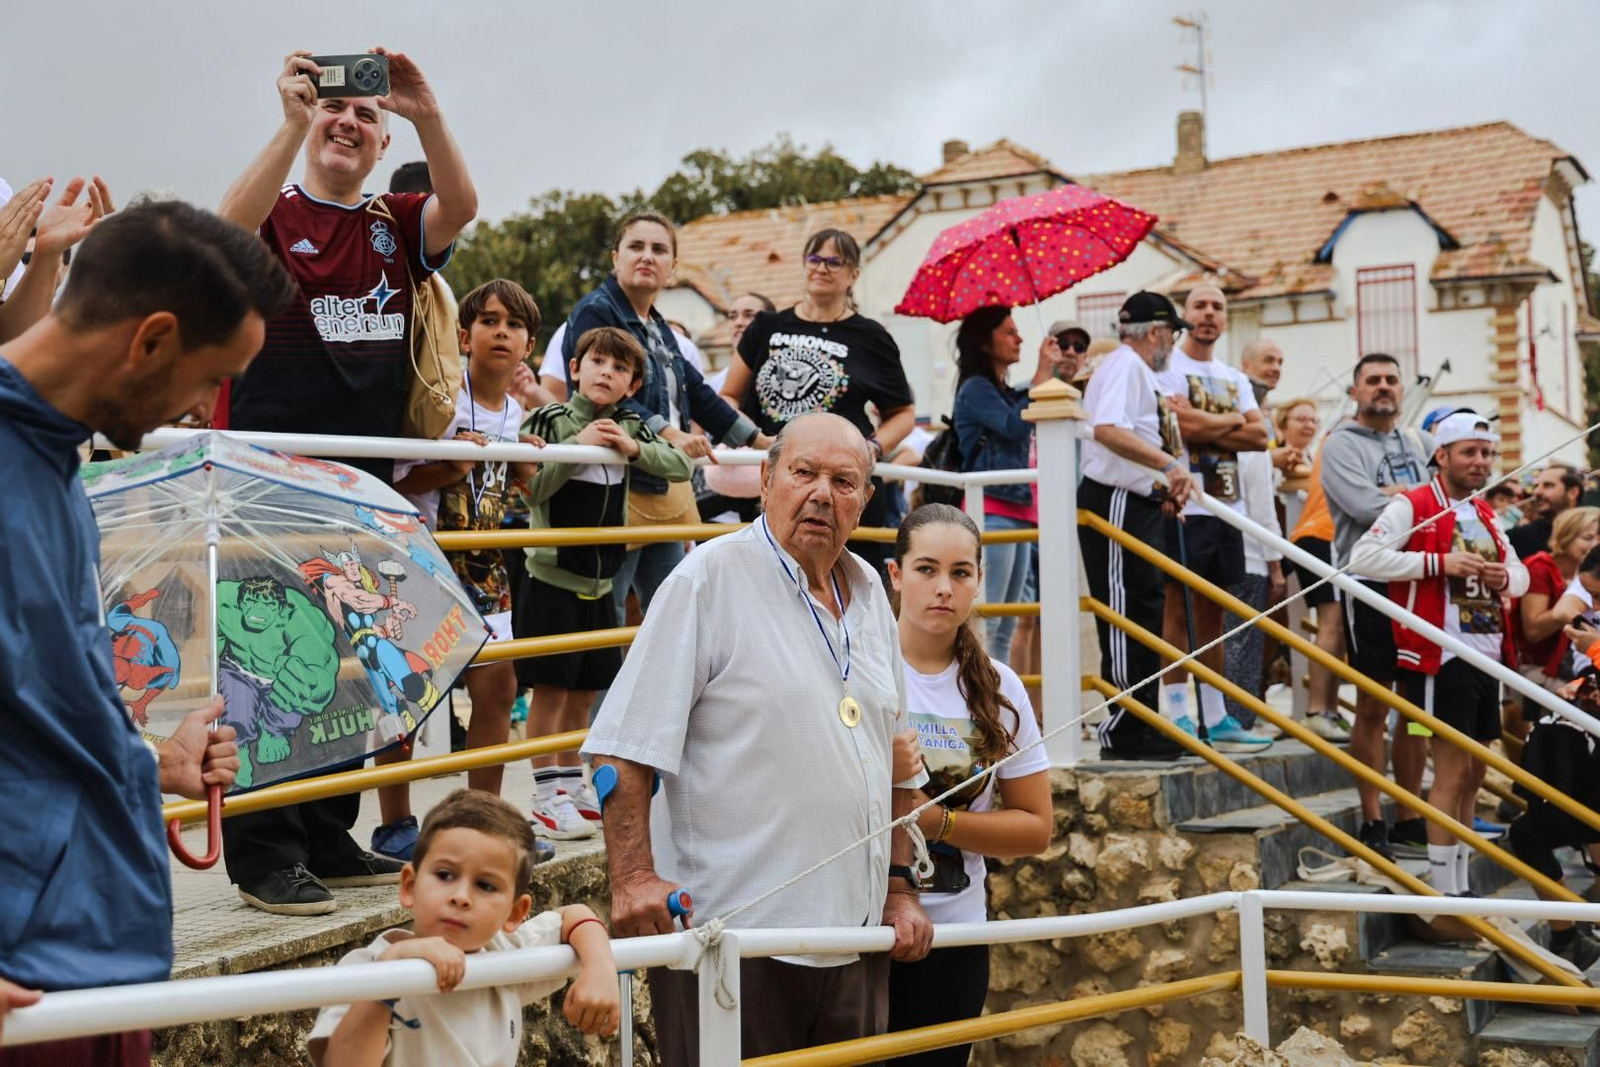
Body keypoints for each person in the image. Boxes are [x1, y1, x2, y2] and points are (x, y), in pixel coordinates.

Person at [0, 201, 282, 1059]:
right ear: (152, 339)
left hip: (87, 950)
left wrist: (150, 761)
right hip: (28, 977)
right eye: (210, 378)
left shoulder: (54, 465)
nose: (201, 409)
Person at [215, 47, 478, 914]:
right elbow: (220, 238)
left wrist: (427, 113)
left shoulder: (393, 222)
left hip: (361, 480)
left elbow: (461, 207)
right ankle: (264, 853)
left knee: (351, 663)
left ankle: (328, 830)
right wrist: (290, 120)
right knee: (266, 664)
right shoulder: (274, 209)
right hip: (267, 476)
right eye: (335, 109)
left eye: (367, 115)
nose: (349, 122)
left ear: (382, 141)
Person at [583, 412, 933, 1064]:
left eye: (843, 481)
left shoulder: (869, 597)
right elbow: (623, 746)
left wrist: (898, 888)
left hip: (857, 941)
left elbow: (894, 763)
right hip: (734, 943)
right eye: (804, 473)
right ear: (767, 480)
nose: (821, 494)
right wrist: (631, 878)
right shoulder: (705, 580)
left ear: (865, 499)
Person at [379, 280, 545, 860]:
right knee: (407, 689)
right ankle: (394, 824)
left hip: (485, 566)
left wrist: (519, 463)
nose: (501, 332)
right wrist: (450, 467)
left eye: (514, 325)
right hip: (424, 560)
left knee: (498, 688)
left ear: (528, 345)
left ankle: (485, 821)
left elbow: (504, 489)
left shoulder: (515, 412)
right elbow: (398, 479)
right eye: (490, 321)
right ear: (465, 335)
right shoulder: (440, 398)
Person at [886, 504, 1052, 1066]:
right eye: (926, 569)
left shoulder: (1000, 686)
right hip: (858, 931)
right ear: (895, 575)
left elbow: (1035, 828)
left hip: (954, 935)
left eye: (960, 572)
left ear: (979, 579)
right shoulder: (856, 666)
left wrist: (940, 823)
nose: (943, 588)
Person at [517, 326, 693, 840]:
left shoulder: (631, 423)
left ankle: (572, 781)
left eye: (619, 369)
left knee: (585, 691)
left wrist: (632, 449)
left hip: (601, 582)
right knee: (551, 691)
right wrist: (579, 446)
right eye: (597, 362)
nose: (606, 373)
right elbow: (533, 490)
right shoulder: (549, 419)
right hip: (551, 577)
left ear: (632, 385)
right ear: (575, 368)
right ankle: (546, 793)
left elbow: (681, 463)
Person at [307, 790, 619, 1066]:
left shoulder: (506, 953)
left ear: (514, 912)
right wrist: (388, 978)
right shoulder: (368, 967)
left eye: (485, 885)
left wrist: (601, 968)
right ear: (410, 886)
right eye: (445, 875)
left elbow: (574, 916)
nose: (461, 896)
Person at [1350, 411, 1527, 896]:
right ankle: (1446, 889)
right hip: (1438, 654)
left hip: (1486, 653)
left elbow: (1520, 575)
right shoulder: (1413, 504)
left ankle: (1461, 880)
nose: (1480, 461)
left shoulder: (1486, 513)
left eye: (1487, 453)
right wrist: (1438, 562)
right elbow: (1363, 558)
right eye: (1470, 452)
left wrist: (1504, 578)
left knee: (1475, 770)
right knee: (1451, 767)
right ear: (1442, 456)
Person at [560, 213, 767, 628]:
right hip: (615, 482)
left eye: (659, 249)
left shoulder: (657, 324)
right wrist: (670, 434)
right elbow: (602, 398)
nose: (647, 257)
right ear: (615, 257)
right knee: (609, 615)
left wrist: (760, 441)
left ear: (672, 267)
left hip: (661, 482)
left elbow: (699, 393)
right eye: (636, 247)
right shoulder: (595, 311)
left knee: (674, 613)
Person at [722, 228, 918, 577]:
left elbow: (903, 414)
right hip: (779, 478)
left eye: (834, 262)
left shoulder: (871, 336)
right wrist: (754, 438)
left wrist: (872, 448)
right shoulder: (766, 326)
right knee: (766, 579)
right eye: (814, 258)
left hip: (842, 485)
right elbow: (728, 396)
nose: (821, 268)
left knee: (846, 581)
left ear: (853, 274)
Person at [1320, 352, 1435, 859]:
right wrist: (1415, 499)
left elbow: (1442, 503)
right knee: (1373, 703)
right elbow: (1366, 508)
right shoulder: (1340, 444)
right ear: (1355, 391)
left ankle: (1409, 814)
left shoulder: (1419, 441)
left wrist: (1398, 495)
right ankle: (1372, 817)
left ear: (1402, 389)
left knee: (1416, 709)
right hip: (1370, 585)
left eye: (1391, 379)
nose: (1383, 387)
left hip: (1421, 585)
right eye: (1373, 380)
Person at [1154, 283, 1274, 751]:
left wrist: (1207, 424)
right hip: (1185, 502)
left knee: (1213, 612)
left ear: (1226, 318)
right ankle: (1179, 713)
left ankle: (1216, 715)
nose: (1208, 313)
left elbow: (1261, 437)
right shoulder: (1168, 368)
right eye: (1200, 306)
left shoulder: (1233, 377)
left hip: (1228, 506)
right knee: (1176, 610)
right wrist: (1234, 423)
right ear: (1185, 314)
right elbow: (1178, 425)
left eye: (1217, 307)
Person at [1077, 292, 1194, 760]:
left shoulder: (1130, 367)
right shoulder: (1126, 364)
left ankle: (1141, 720)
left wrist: (1161, 482)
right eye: (1174, 333)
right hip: (1117, 498)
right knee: (1127, 612)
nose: (1174, 343)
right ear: (1156, 332)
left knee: (1143, 608)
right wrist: (1168, 466)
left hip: (1134, 498)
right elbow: (1107, 429)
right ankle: (1127, 727)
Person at [951, 306, 1066, 660]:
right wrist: (1042, 372)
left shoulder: (1002, 391)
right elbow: (1014, 424)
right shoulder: (975, 389)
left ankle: (994, 693)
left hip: (1016, 512)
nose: (1019, 339)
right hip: (991, 512)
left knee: (1004, 626)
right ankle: (981, 692)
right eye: (1009, 332)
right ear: (985, 342)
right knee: (987, 622)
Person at [1279, 399, 1350, 742]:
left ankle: (1329, 709)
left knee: (1338, 626)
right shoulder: (1345, 435)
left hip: (1325, 535)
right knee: (1331, 623)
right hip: (1324, 534)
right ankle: (1317, 709)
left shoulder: (1335, 437)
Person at [1239, 339, 1303, 473]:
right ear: (1246, 365)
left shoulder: (1268, 411)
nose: (1276, 368)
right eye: (1268, 361)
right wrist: (1270, 459)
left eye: (1280, 363)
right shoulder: (1236, 403)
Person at [1509, 464, 1584, 559]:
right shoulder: (1518, 538)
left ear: (1573, 493)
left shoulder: (1594, 532)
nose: (1537, 492)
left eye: (1548, 485)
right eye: (1536, 486)